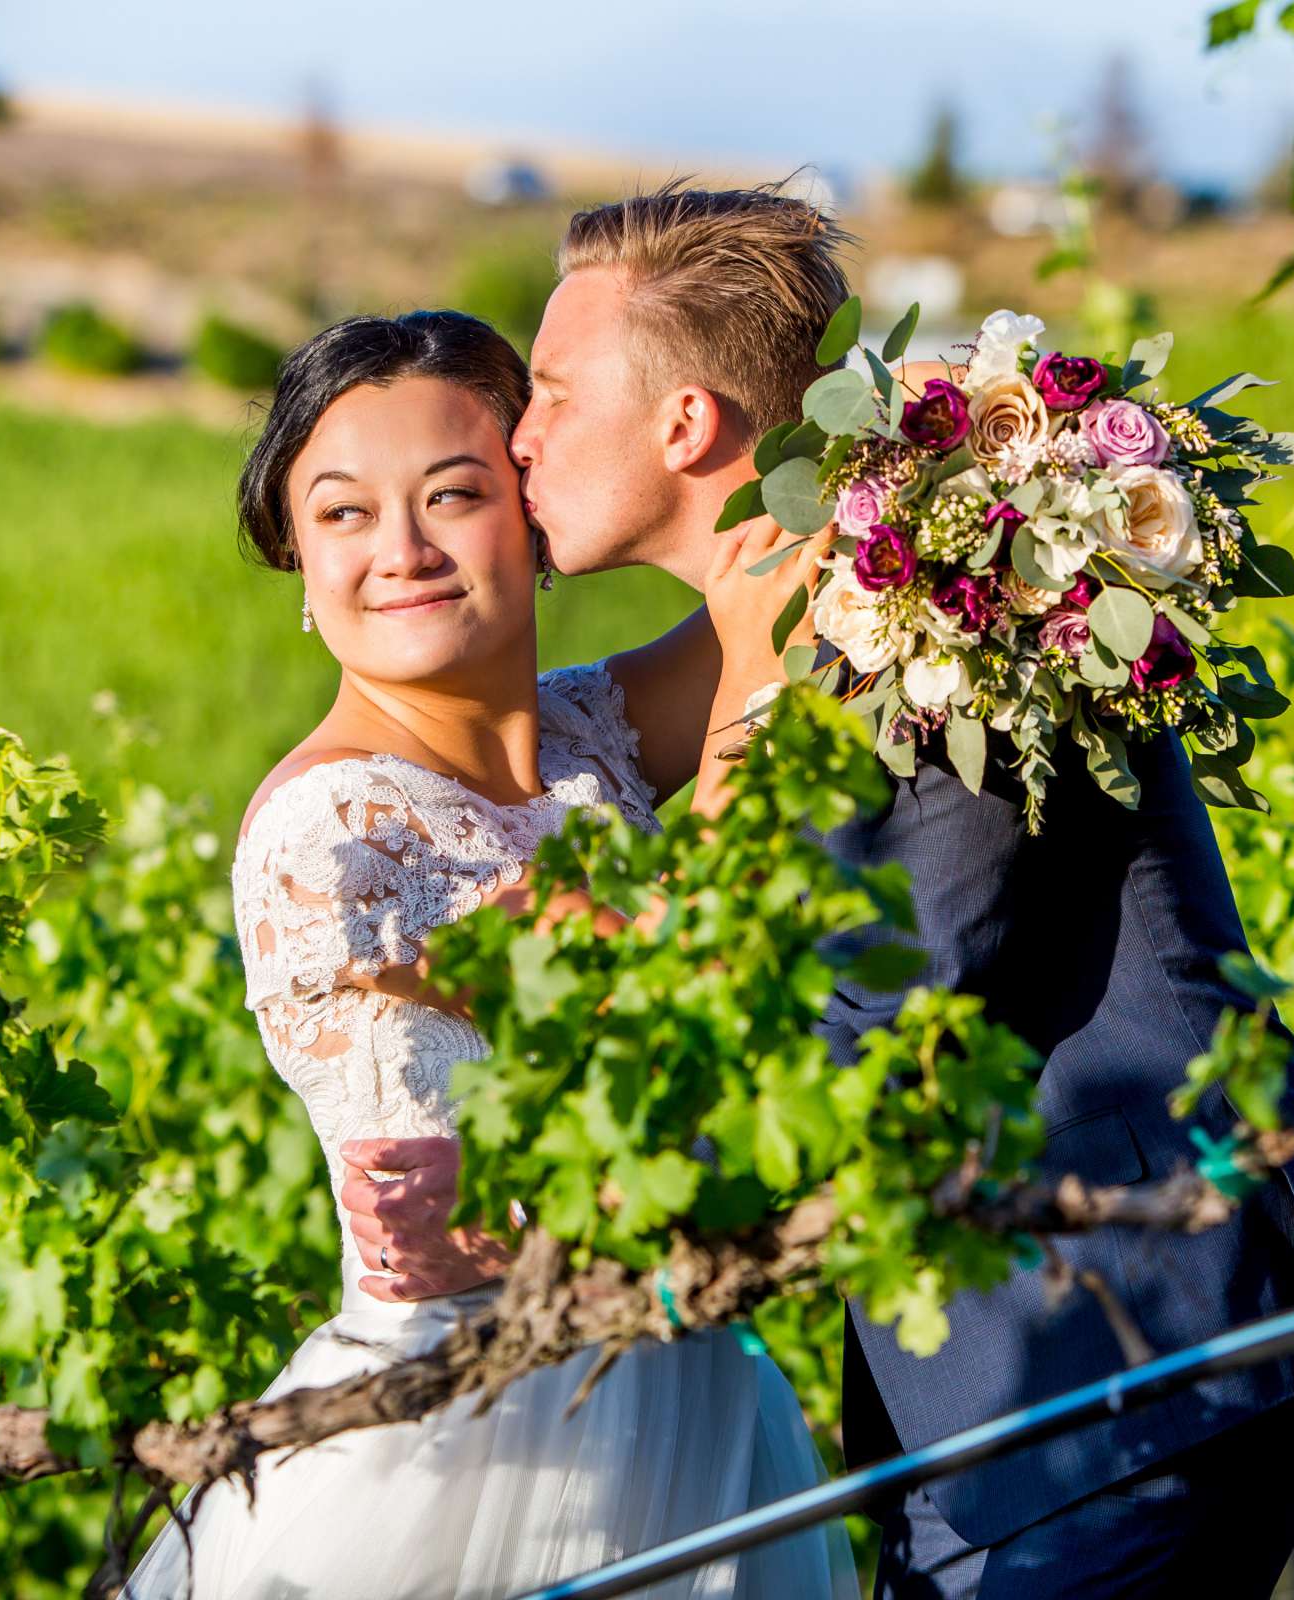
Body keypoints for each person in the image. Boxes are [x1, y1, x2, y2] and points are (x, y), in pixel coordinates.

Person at [350, 183, 1294, 1598]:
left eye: (548, 390)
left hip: (1150, 1341)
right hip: (1024, 1371)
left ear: (686, 425)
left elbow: (886, 1006)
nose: (518, 433)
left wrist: (540, 1210)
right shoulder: (757, 629)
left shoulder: (921, 603)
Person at [119, 309, 847, 1600]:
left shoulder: (589, 736)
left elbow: (778, 594)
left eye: (455, 494)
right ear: (296, 556)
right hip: (467, 1452)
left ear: (537, 512)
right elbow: (688, 965)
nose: (398, 551)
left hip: (688, 1409)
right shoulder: (324, 832)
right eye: (342, 514)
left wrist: (971, 459)